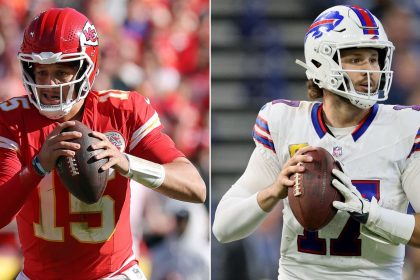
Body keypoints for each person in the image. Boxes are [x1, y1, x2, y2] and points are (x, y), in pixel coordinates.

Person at [213, 5, 420, 279]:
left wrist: (370, 215)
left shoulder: (404, 128)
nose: (370, 70)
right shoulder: (284, 121)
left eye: (374, 59)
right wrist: (274, 191)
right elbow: (223, 228)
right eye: (356, 60)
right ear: (323, 62)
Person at [0, 7, 206, 280]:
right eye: (41, 72)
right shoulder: (12, 120)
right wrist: (37, 166)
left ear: (88, 67)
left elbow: (195, 187)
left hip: (114, 274)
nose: (49, 84)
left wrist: (127, 162)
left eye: (61, 72)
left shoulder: (123, 111)